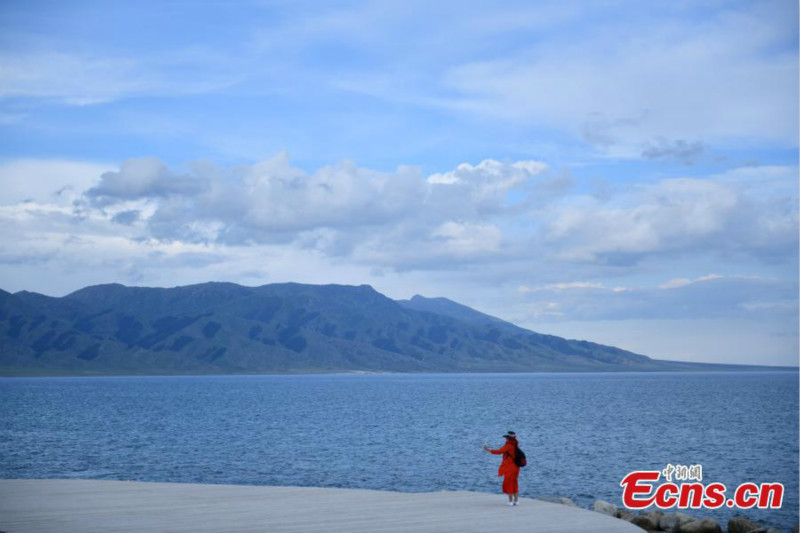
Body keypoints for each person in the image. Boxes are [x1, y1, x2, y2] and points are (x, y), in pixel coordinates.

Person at [483, 431, 521, 506]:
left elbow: (499, 452)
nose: (506, 439)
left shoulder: (508, 445)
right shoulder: (516, 444)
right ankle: (516, 501)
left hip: (510, 467)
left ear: (508, 438)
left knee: (509, 483)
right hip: (516, 467)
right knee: (514, 483)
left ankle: (510, 502)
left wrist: (487, 450)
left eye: (506, 438)